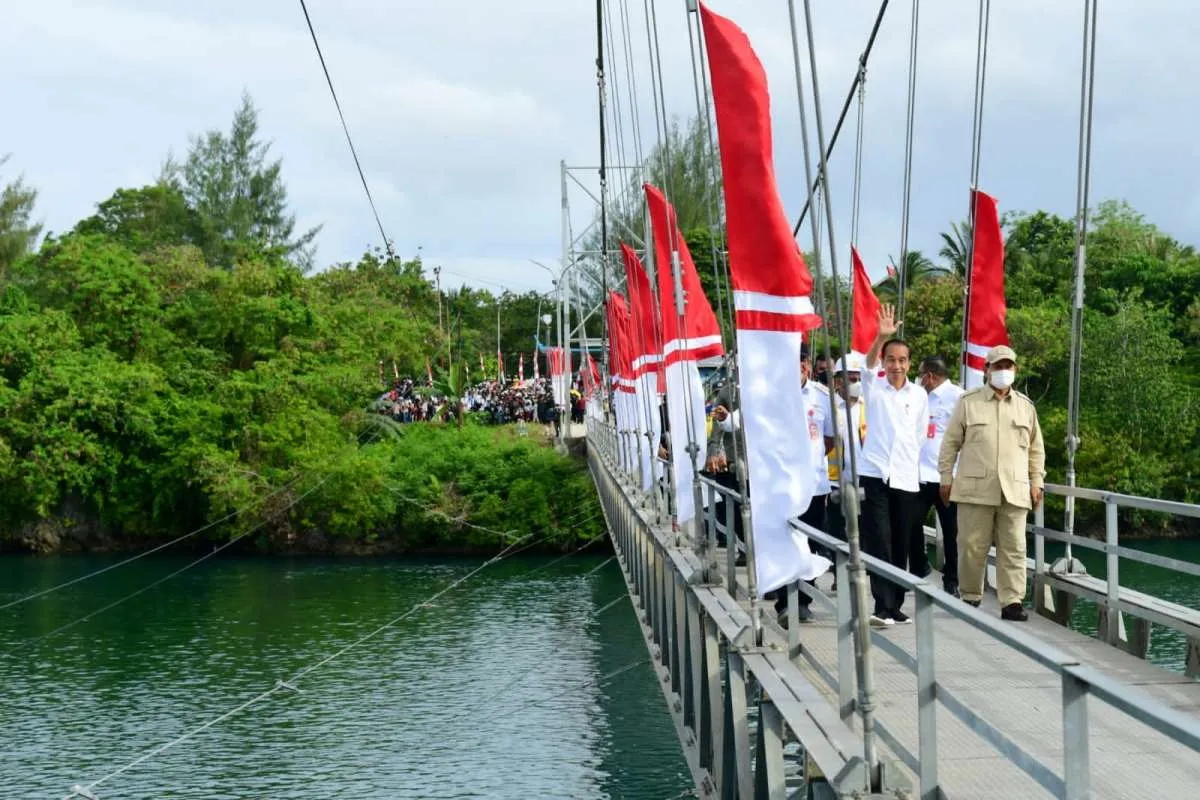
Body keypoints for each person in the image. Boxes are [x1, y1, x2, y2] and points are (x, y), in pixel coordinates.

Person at [938, 345, 1045, 620]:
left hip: (1015, 489)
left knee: (1015, 548)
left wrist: (1037, 482)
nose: (1003, 372)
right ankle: (970, 596)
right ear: (986, 370)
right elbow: (950, 443)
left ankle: (1012, 602)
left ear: (1015, 370)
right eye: (998, 367)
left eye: (1008, 366)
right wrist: (946, 477)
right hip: (975, 489)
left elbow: (1036, 450)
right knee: (972, 546)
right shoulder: (968, 402)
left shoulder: (1025, 407)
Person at [860, 304, 928, 627]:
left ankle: (897, 604)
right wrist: (880, 337)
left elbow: (918, 435)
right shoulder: (875, 387)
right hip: (875, 473)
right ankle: (881, 605)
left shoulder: (919, 395)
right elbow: (866, 365)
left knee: (901, 541)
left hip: (906, 476)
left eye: (902, 360)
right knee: (880, 539)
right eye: (891, 360)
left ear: (910, 364)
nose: (896, 366)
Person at [773, 344, 834, 625]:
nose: (798, 367)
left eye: (802, 362)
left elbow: (829, 440)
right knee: (785, 542)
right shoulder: (772, 396)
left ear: (808, 365)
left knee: (809, 543)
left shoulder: (822, 397)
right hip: (781, 484)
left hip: (814, 484)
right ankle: (786, 601)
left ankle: (804, 601)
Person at [913, 355, 964, 596]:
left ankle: (951, 578)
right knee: (910, 523)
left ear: (930, 376)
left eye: (921, 373)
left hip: (948, 477)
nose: (919, 378)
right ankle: (920, 565)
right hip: (920, 474)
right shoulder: (917, 396)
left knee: (952, 532)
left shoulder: (959, 398)